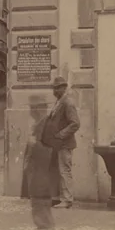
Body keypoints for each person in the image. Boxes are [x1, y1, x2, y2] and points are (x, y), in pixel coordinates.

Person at [39, 77, 80, 208]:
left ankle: (67, 200)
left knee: (64, 171)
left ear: (64, 88)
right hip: (57, 144)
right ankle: (57, 198)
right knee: (57, 171)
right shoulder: (59, 102)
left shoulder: (67, 103)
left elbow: (75, 123)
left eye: (57, 88)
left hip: (64, 144)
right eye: (54, 88)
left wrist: (60, 135)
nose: (54, 90)